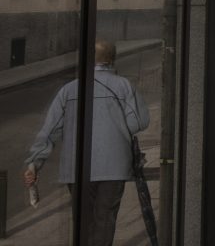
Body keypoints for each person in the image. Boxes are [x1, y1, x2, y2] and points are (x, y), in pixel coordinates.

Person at [25, 40, 149, 246]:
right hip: (113, 166)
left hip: (77, 166)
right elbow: (139, 122)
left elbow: (50, 130)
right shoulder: (123, 85)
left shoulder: (69, 90)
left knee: (84, 221)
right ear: (112, 59)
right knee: (105, 219)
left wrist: (35, 163)